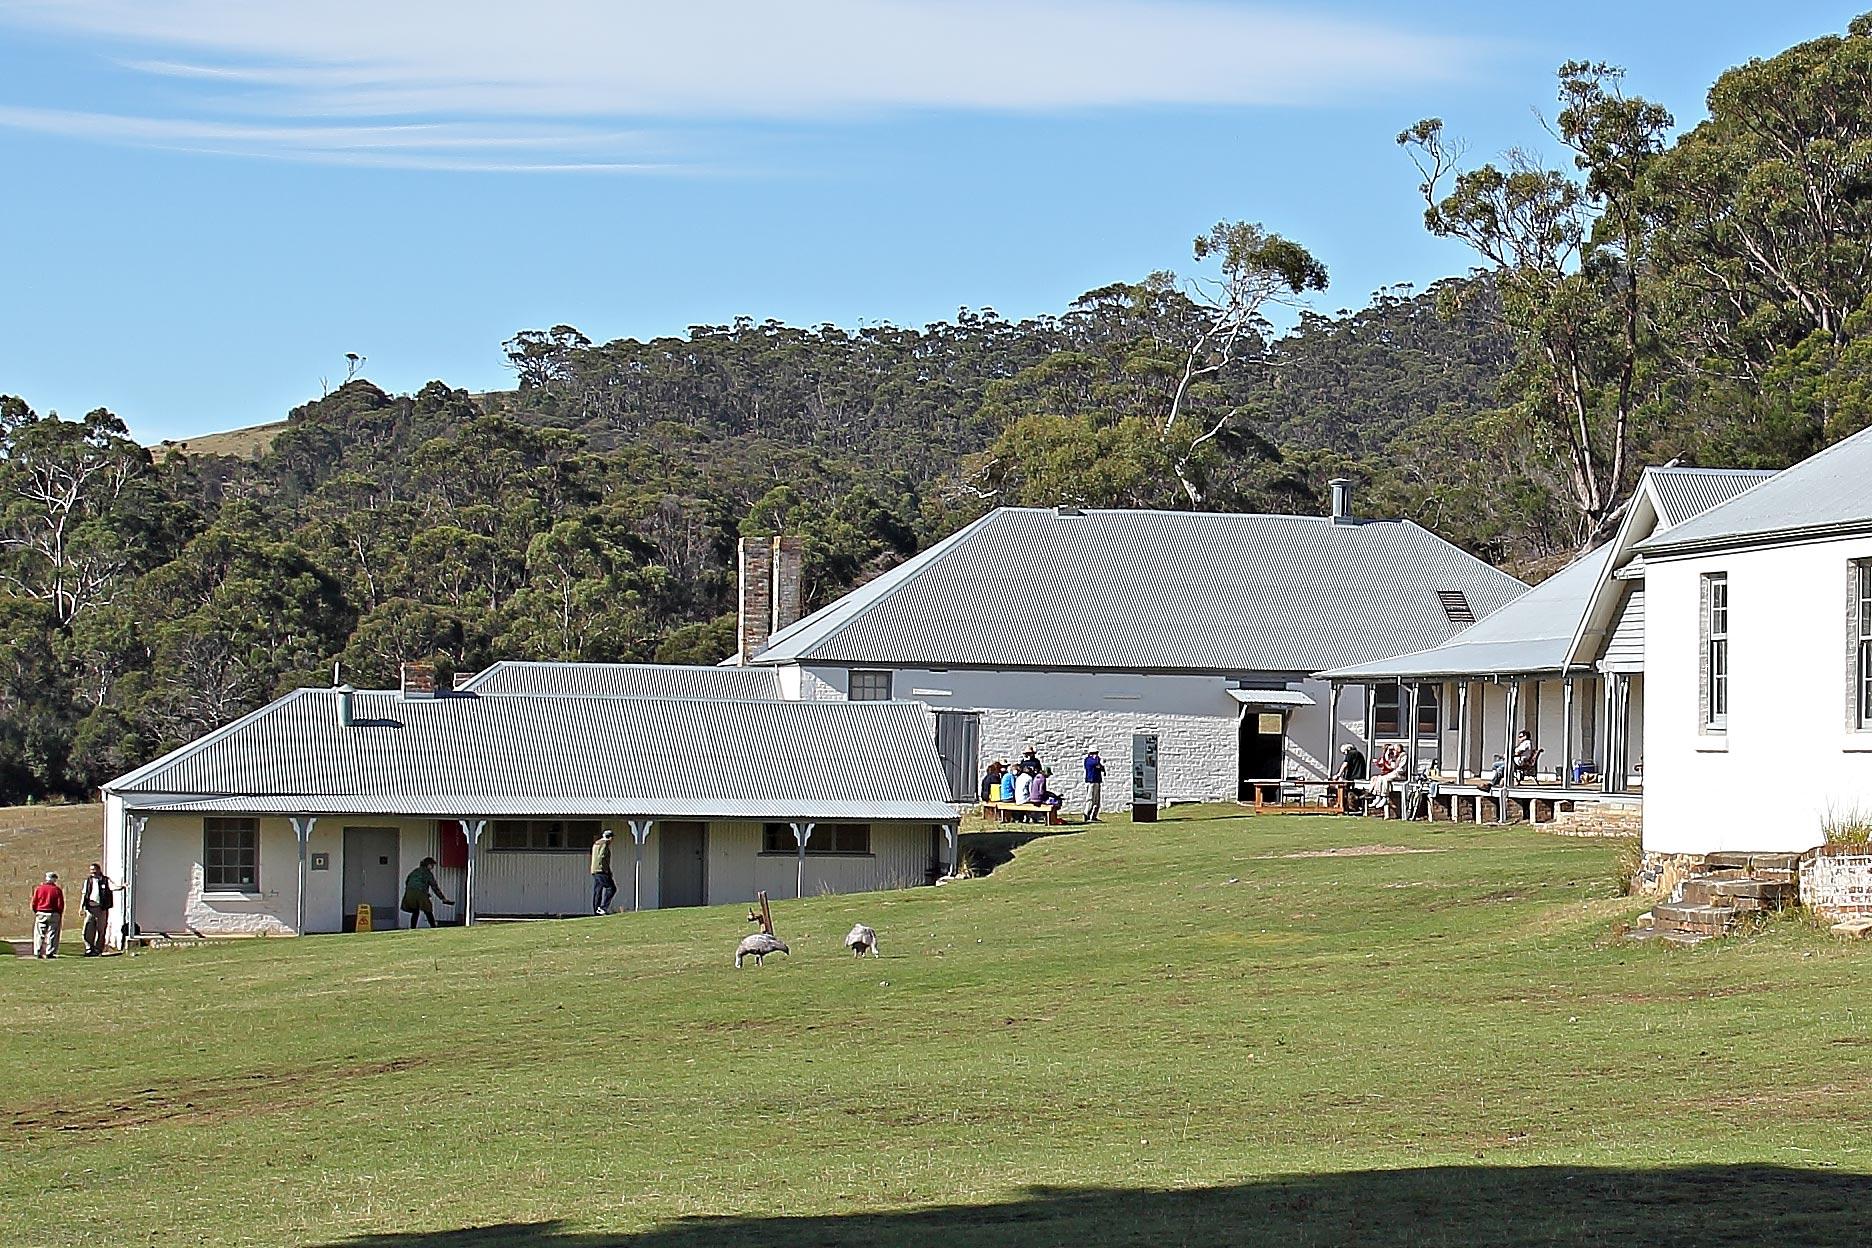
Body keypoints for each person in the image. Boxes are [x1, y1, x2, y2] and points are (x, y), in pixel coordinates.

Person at [401, 857, 453, 929]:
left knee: (415, 911)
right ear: (428, 865)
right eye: (432, 865)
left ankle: (412, 928)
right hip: (420, 893)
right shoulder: (427, 873)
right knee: (428, 910)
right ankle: (433, 927)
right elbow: (434, 887)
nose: (432, 867)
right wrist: (443, 898)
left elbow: (407, 881)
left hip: (409, 893)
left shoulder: (415, 871)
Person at [80, 863, 114, 957]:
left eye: (94, 870)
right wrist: (81, 907)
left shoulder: (105, 880)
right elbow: (84, 894)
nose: (93, 872)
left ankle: (98, 949)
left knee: (101, 930)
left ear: (99, 870)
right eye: (91, 870)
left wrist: (122, 887)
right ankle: (88, 948)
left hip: (102, 908)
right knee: (87, 929)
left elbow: (113, 887)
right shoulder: (88, 881)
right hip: (90, 908)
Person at [1364, 744, 1409, 813]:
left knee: (1384, 778)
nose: (1393, 751)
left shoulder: (1403, 756)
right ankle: (1378, 796)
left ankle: (1384, 796)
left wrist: (1392, 769)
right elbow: (1386, 762)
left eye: (1394, 750)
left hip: (1399, 774)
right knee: (1379, 778)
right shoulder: (1394, 756)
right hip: (1393, 773)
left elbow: (1400, 769)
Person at [31, 871, 64, 959]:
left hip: (41, 912)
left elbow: (34, 902)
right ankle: (50, 952)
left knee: (39, 933)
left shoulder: (39, 888)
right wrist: (59, 913)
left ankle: (37, 951)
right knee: (52, 934)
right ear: (54, 879)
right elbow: (60, 904)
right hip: (53, 913)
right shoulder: (57, 890)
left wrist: (36, 910)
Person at [591, 830, 617, 915]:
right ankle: (603, 907)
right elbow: (602, 856)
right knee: (611, 888)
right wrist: (607, 871)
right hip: (601, 870)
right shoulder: (604, 844)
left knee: (598, 890)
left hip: (594, 870)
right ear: (610, 837)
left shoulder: (596, 844)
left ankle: (596, 910)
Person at [1083, 749, 1105, 822]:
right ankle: (1087, 814)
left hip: (1097, 781)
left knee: (1097, 800)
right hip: (1091, 781)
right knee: (1090, 798)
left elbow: (1101, 767)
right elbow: (1095, 763)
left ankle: (1094, 816)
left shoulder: (1096, 760)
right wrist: (1096, 758)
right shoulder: (1088, 760)